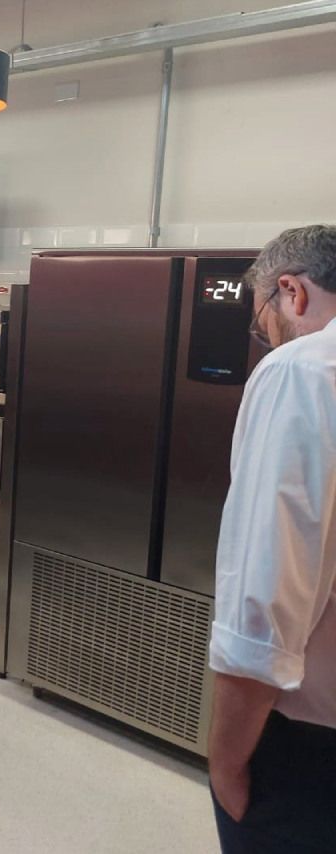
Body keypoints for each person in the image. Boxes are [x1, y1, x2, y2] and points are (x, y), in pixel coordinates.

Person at [207, 224, 336, 853]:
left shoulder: (303, 371)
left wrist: (225, 758)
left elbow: (265, 595)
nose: (268, 341)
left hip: (311, 739)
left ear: (292, 292)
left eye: (264, 324)